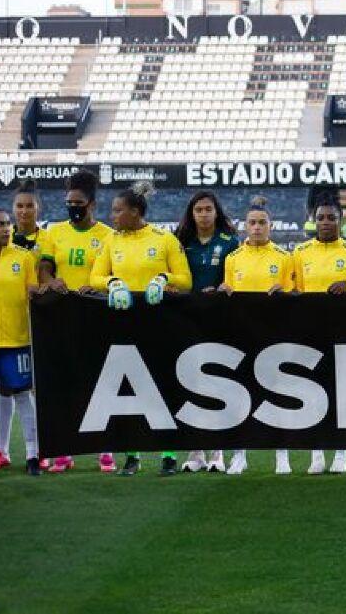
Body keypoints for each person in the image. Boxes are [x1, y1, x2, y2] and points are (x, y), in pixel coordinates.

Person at [89, 182, 192, 476]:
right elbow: (95, 276)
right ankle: (132, 455)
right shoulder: (112, 241)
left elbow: (186, 280)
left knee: (162, 386)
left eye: (118, 210)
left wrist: (162, 278)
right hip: (123, 325)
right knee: (127, 390)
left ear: (135, 212)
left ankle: (169, 455)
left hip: (160, 325)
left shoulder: (164, 239)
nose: (113, 216)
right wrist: (113, 283)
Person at [34, 170, 114, 474]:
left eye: (78, 202)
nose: (72, 207)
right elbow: (45, 269)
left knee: (98, 384)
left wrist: (98, 285)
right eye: (69, 202)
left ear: (91, 204)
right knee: (66, 384)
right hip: (62, 316)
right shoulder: (55, 232)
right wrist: (52, 281)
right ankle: (64, 451)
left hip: (96, 315)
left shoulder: (106, 235)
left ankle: (105, 450)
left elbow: (110, 273)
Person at [217, 196, 294, 475]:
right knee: (241, 395)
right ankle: (240, 454)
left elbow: (292, 296)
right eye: (253, 223)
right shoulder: (233, 258)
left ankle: (281, 454)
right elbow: (229, 291)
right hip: (242, 333)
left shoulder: (285, 259)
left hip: (274, 334)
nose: (257, 227)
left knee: (278, 394)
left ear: (270, 226)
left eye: (262, 223)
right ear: (244, 227)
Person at [293, 193, 346, 475]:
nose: (325, 222)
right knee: (313, 393)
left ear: (341, 221)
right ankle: (317, 454)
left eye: (331, 218)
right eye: (320, 218)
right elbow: (292, 289)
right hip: (309, 332)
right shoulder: (299, 254)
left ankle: (341, 453)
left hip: (343, 332)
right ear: (313, 221)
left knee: (341, 393)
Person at [0, 208, 42, 477]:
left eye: (8, 224)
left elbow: (34, 293)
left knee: (24, 397)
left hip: (17, 340)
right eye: (0, 224)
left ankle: (33, 455)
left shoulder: (24, 258)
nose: (6, 228)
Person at [175, 191, 240, 474]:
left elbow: (236, 278)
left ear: (216, 212)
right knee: (190, 382)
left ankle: (218, 452)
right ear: (191, 214)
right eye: (198, 209)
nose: (203, 214)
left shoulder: (229, 243)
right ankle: (195, 451)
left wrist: (224, 287)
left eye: (207, 209)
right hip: (188, 321)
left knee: (217, 381)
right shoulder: (181, 243)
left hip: (220, 320)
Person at [11, 180, 42, 251]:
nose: (24, 211)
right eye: (19, 206)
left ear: (38, 208)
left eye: (29, 206)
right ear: (13, 208)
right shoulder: (1, 239)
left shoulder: (49, 239)